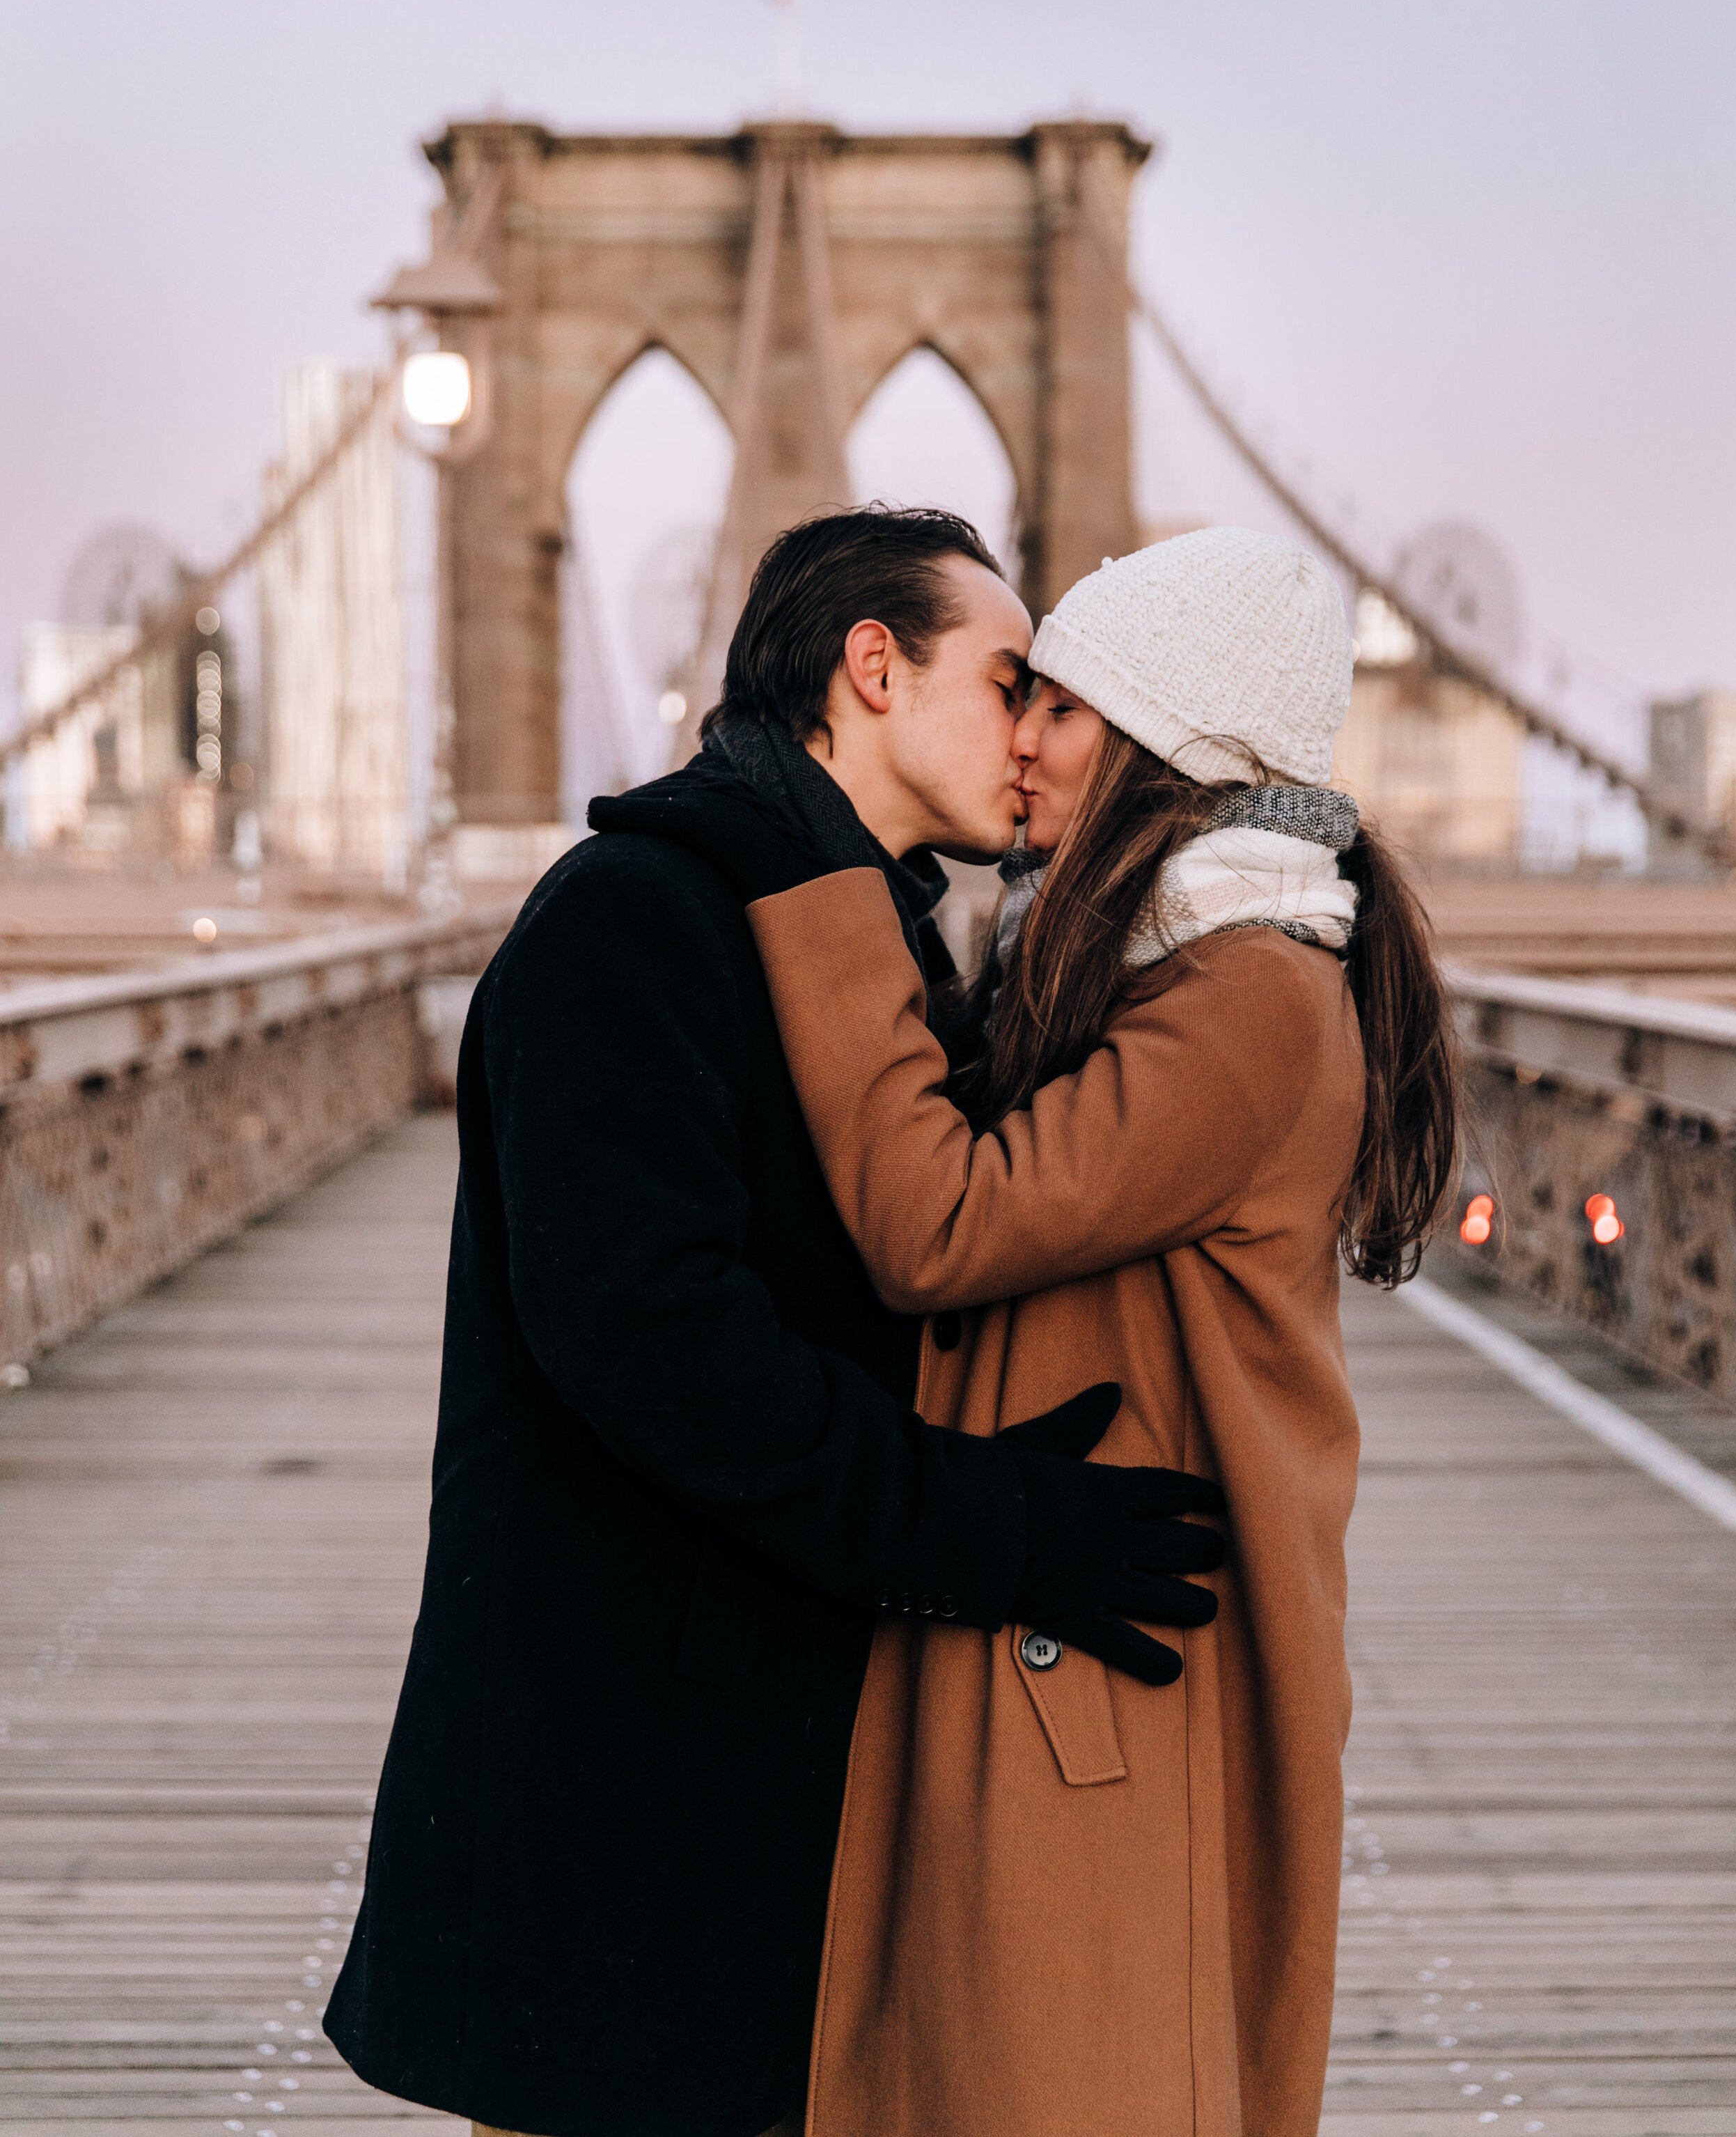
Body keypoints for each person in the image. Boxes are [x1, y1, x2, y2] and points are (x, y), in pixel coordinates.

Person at [324, 507, 1230, 2137]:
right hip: (616, 1785)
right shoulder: (635, 915)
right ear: (868, 670)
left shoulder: (861, 930)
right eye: (1007, 679)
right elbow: (647, 1340)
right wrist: (990, 1527)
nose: (1032, 733)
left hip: (754, 1766)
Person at [723, 526, 1462, 2137]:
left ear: (1157, 745)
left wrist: (822, 884)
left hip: (1119, 1672)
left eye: (1056, 706)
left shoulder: (1249, 994)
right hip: (1053, 1616)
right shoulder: (1133, 965)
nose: (1021, 737)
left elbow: (944, 1223)